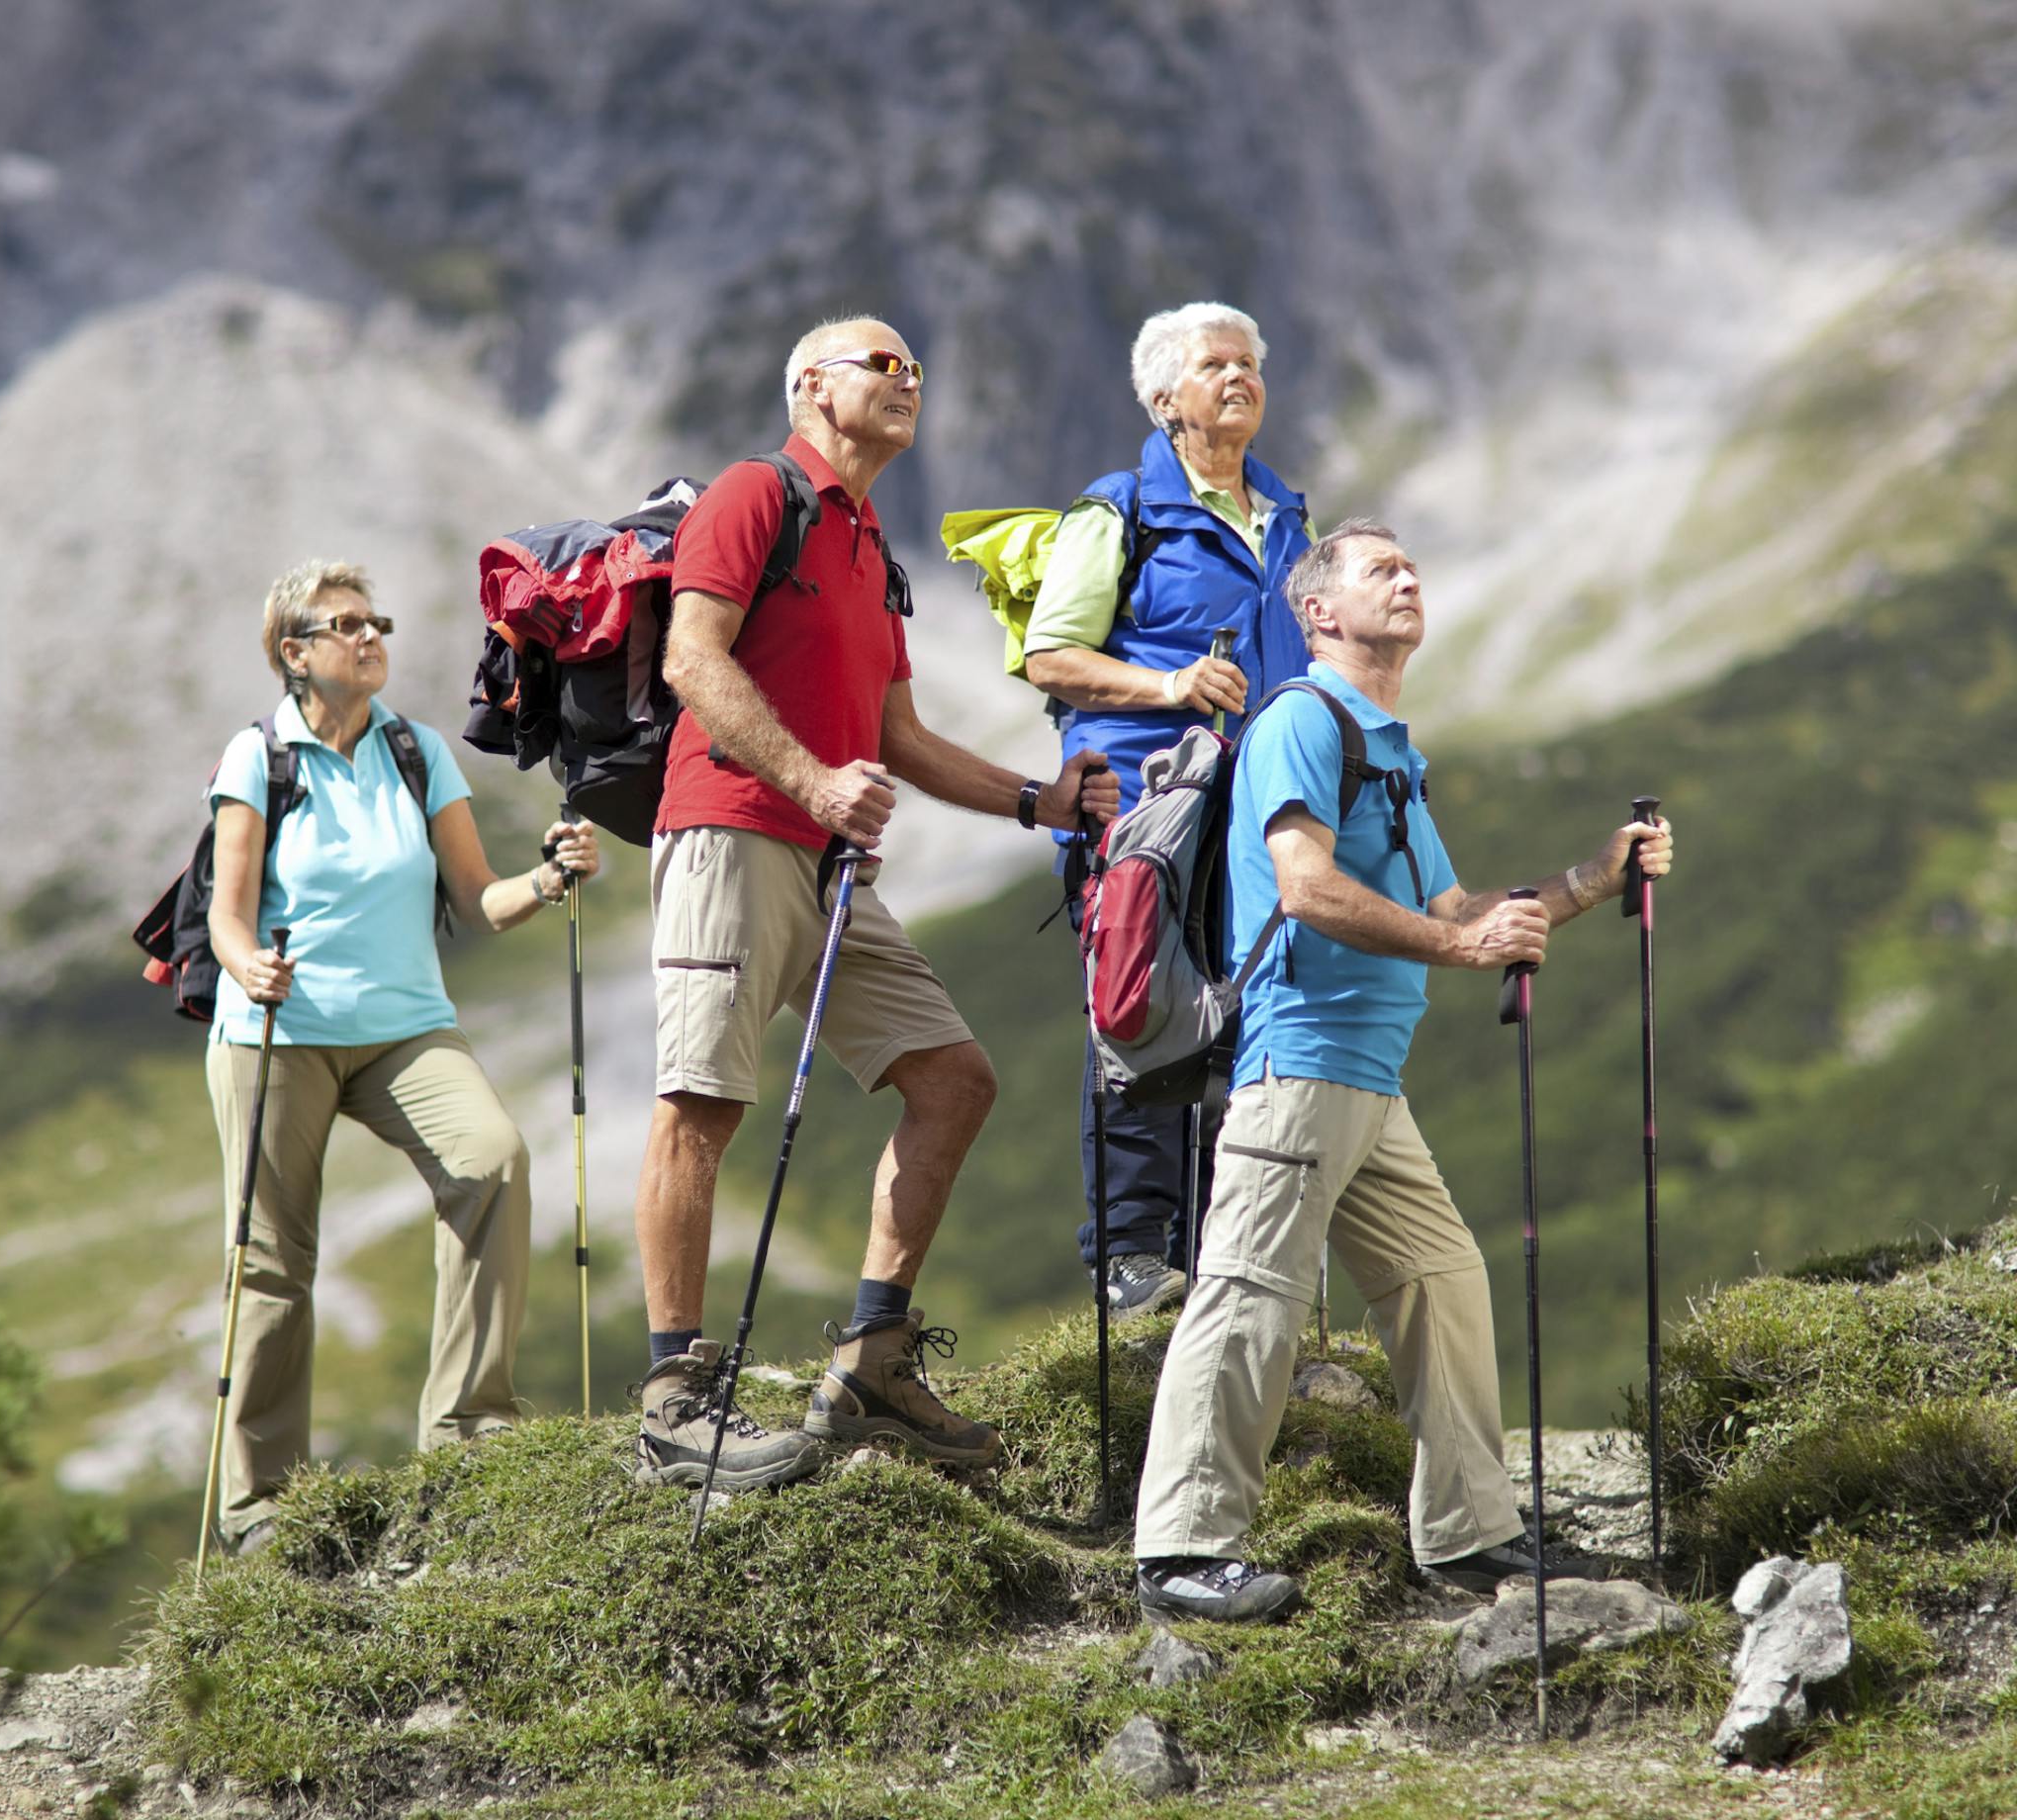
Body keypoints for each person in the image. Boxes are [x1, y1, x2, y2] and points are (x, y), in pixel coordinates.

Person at [1132, 519, 1676, 1620]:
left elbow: (1458, 910)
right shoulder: (1300, 718)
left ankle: (1470, 1535)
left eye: (1413, 565)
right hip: (1299, 1061)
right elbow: (1305, 887)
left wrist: (1592, 876)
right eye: (1383, 568)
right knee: (1249, 1294)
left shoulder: (1387, 750)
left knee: (1444, 1280)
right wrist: (1460, 948)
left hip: (1369, 1080)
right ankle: (1184, 1549)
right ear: (1320, 611)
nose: (1410, 577)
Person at [631, 316, 1120, 1491]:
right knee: (701, 1098)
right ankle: (673, 1399)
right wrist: (811, 781)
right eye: (882, 364)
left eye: (917, 367)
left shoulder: (869, 545)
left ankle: (870, 1363)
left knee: (953, 1078)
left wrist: (1038, 804)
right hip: (735, 833)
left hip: (823, 861)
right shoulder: (759, 494)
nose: (910, 381)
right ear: (810, 386)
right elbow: (692, 661)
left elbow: (898, 736)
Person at [205, 559, 600, 1554]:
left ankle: (468, 1437)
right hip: (279, 1030)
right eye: (344, 624)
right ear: (294, 653)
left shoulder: (418, 751)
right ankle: (261, 1508)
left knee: (492, 1158)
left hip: (403, 1026)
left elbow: (480, 899)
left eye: (376, 620)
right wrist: (248, 966)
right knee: (272, 1263)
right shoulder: (258, 756)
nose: (371, 636)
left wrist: (550, 877)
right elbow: (225, 913)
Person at [1022, 302, 1315, 1318]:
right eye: (1214, 365)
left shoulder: (1288, 516)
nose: (1239, 376)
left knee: (1244, 1022)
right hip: (1145, 807)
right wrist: (1171, 687)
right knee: (1143, 1012)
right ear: (1163, 399)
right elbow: (1050, 656)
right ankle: (1131, 1251)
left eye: (1250, 363)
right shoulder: (1119, 509)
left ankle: (1224, 1247)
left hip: (1258, 809)